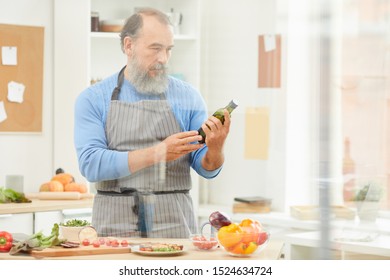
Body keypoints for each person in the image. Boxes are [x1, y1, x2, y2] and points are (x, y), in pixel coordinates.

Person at [74, 7, 231, 238]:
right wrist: (158, 153)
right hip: (114, 227)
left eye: (168, 49)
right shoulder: (94, 98)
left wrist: (216, 148)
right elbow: (91, 164)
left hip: (174, 225)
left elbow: (206, 168)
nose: (163, 58)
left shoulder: (188, 97)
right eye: (155, 48)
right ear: (129, 46)